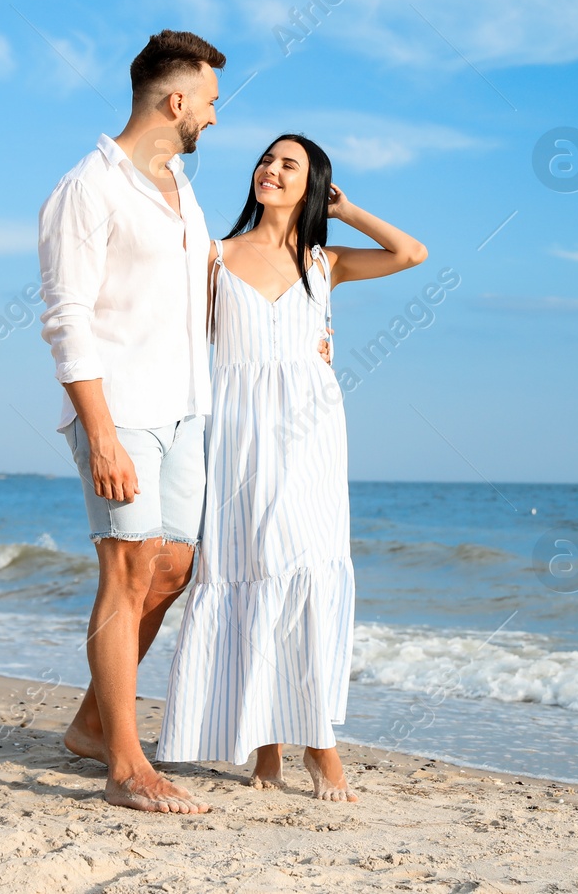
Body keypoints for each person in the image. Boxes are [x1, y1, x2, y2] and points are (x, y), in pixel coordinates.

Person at [155, 133, 427, 801]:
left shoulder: (322, 261)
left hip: (312, 434)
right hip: (243, 431)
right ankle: (268, 744)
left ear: (313, 184)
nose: (270, 170)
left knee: (305, 568)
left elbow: (411, 253)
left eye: (289, 164)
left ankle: (318, 745)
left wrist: (347, 209)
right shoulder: (214, 257)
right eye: (266, 160)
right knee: (254, 566)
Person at [36, 29, 224, 814]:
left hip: (187, 409)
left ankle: (89, 721)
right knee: (126, 568)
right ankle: (123, 763)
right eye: (210, 102)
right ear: (174, 100)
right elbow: (67, 318)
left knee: (173, 568)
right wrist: (102, 433)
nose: (214, 118)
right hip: (122, 413)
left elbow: (206, 285)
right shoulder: (89, 187)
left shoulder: (182, 186)